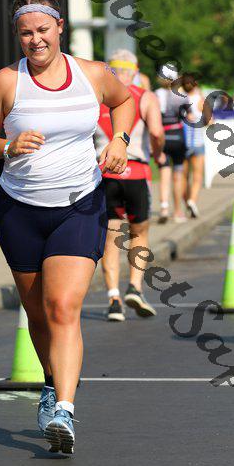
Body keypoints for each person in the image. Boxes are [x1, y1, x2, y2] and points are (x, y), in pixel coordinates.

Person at [0, 0, 135, 454]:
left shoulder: (93, 74)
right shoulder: (6, 82)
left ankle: (63, 408)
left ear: (60, 27)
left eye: (43, 29)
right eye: (26, 32)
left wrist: (119, 140)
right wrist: (7, 145)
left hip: (79, 205)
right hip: (19, 209)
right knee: (38, 313)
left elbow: (124, 103)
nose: (35, 40)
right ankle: (50, 382)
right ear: (17, 35)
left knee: (62, 306)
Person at [94, 50, 165, 321]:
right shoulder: (145, 97)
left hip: (105, 174)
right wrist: (157, 153)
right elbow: (156, 132)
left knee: (111, 235)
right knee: (139, 233)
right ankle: (135, 287)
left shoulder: (98, 97)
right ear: (135, 71)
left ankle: (113, 299)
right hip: (135, 172)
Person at [155, 66, 190, 224]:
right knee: (178, 175)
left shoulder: (156, 94)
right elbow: (188, 116)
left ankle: (164, 207)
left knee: (164, 172)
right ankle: (177, 211)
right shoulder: (181, 96)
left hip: (162, 137)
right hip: (177, 136)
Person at [181, 73, 206, 218]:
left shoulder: (179, 99)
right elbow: (209, 120)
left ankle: (187, 204)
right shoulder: (199, 100)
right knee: (197, 176)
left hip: (183, 142)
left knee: (183, 176)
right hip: (197, 142)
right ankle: (192, 200)